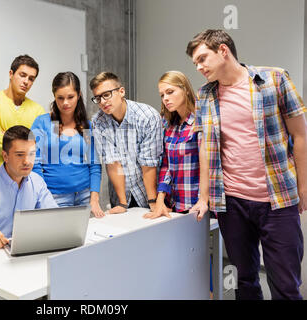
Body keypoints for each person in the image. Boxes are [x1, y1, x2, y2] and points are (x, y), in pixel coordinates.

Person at [186, 29, 307, 300]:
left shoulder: (274, 79)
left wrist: (304, 187)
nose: (199, 67)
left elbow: (300, 135)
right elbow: (205, 147)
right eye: (195, 63)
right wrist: (204, 198)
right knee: (245, 280)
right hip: (233, 202)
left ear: (223, 51)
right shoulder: (205, 95)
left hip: (277, 200)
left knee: (286, 285)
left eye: (203, 58)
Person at [31, 72, 103, 217]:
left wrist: (94, 199)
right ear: (54, 96)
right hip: (54, 196)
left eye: (70, 97)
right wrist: (44, 196)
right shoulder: (41, 122)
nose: (65, 103)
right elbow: (34, 164)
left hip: (85, 195)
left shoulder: (87, 126)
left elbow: (94, 164)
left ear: (79, 95)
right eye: (60, 98)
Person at [90, 72, 163, 215]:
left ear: (121, 91)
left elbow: (148, 163)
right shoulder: (98, 122)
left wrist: (152, 201)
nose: (103, 102)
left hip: (149, 191)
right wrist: (122, 203)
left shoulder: (147, 116)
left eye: (107, 95)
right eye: (98, 98)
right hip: (120, 193)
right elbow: (112, 163)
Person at [143, 71, 199, 219]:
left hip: (196, 205)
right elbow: (166, 165)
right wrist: (160, 199)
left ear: (185, 89)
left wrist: (203, 200)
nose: (165, 99)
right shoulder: (167, 124)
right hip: (173, 205)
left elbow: (209, 167)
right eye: (162, 95)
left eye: (170, 92)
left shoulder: (200, 122)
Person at [0, 54, 45, 171]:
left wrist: (6, 136)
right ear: (11, 74)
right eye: (22, 75)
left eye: (31, 79)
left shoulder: (38, 110)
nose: (26, 81)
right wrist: (28, 144)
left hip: (27, 179)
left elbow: (42, 146)